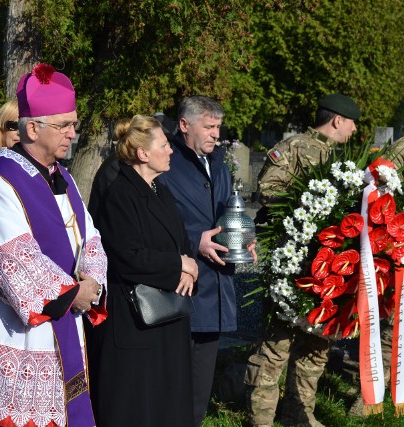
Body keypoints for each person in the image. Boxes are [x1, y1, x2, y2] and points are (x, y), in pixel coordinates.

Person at [0, 64, 108, 427]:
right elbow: (12, 261)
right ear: (32, 128)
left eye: (74, 124)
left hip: (67, 336)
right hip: (23, 345)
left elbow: (91, 237)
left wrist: (91, 281)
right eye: (64, 125)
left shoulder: (65, 179)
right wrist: (74, 293)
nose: (73, 134)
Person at [244, 93, 361, 427]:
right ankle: (261, 418)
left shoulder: (340, 159)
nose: (354, 130)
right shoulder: (295, 146)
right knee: (275, 347)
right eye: (352, 122)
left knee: (315, 347)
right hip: (292, 266)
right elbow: (268, 188)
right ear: (338, 119)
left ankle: (300, 413)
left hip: (325, 271)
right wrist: (311, 207)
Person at [87, 115, 199, 426]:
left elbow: (180, 239)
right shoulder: (120, 193)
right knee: (138, 407)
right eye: (164, 145)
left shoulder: (160, 190)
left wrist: (189, 268)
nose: (172, 150)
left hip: (168, 314)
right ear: (143, 153)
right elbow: (127, 256)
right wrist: (179, 264)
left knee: (168, 404)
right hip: (135, 320)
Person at [157, 95, 257, 426]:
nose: (216, 134)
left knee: (199, 389)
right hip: (178, 292)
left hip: (216, 291)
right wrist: (193, 241)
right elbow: (150, 223)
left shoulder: (218, 162)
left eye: (218, 127)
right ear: (184, 125)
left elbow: (229, 213)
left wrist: (243, 238)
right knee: (170, 386)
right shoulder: (164, 163)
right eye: (209, 126)